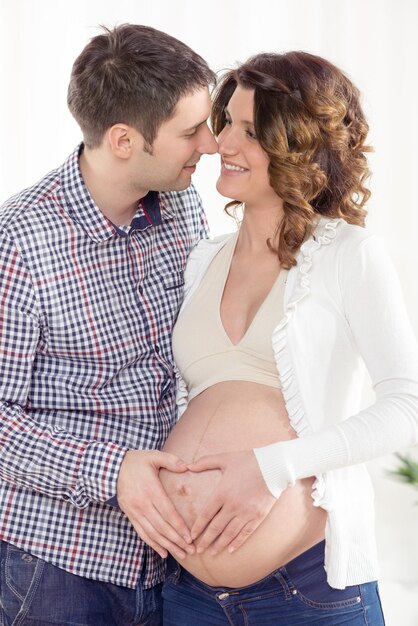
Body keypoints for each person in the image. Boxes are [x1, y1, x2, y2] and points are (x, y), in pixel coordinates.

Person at [159, 51, 418, 625]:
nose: (223, 142)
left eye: (251, 131)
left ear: (298, 145)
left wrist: (271, 467)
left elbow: (406, 407)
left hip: (306, 590)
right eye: (227, 121)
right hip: (186, 595)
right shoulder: (202, 259)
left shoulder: (348, 255)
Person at [0, 23, 217, 625]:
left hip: (169, 559)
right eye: (191, 130)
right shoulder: (19, 243)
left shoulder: (182, 204)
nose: (212, 142)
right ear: (124, 140)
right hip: (58, 566)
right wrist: (112, 470)